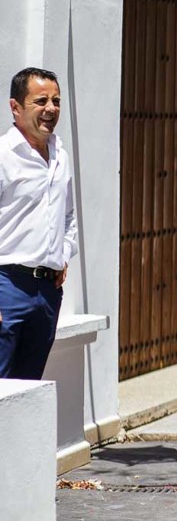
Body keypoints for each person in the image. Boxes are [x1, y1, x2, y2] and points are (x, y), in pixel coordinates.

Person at [0, 68, 77, 379]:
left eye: (56, 101)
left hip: (46, 292)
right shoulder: (3, 155)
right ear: (15, 107)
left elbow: (69, 215)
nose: (51, 109)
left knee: (29, 389)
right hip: (7, 284)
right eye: (41, 100)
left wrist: (62, 253)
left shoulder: (61, 156)